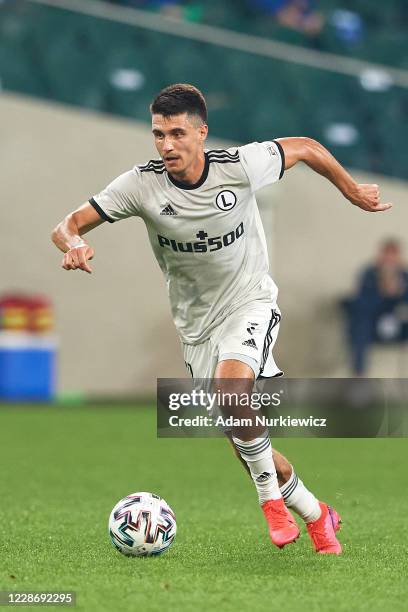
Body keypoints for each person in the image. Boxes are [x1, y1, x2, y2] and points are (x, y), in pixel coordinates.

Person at [52, 83, 391, 554]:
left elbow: (308, 148)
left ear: (201, 132)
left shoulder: (239, 166)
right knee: (253, 450)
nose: (166, 145)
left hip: (250, 302)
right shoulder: (140, 185)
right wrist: (74, 245)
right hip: (196, 330)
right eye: (157, 135)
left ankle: (270, 505)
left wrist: (351, 190)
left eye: (176, 133)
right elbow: (65, 225)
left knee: (233, 396)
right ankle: (317, 514)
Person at [348, 239, 408, 376]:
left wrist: (399, 293)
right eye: (387, 255)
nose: (390, 260)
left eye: (393, 256)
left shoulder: (404, 276)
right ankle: (359, 376)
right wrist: (381, 292)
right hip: (373, 324)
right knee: (360, 327)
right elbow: (361, 303)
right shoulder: (369, 274)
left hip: (399, 324)